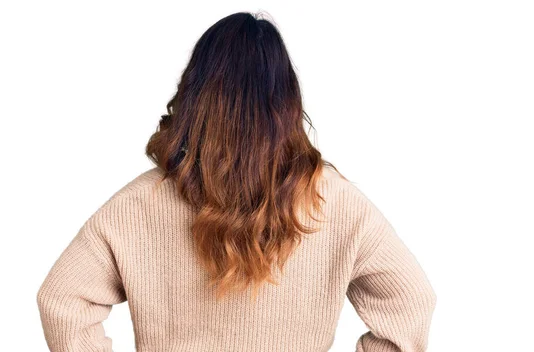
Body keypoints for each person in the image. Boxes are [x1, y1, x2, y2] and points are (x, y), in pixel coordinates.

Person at [36, 11, 437, 352]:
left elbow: (62, 300)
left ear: (194, 96)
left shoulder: (141, 201)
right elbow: (410, 302)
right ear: (286, 103)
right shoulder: (334, 202)